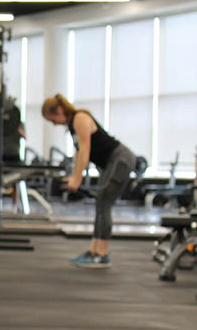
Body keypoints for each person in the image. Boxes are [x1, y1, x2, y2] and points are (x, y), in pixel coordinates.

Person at [42, 94, 136, 268]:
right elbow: (79, 154)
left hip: (120, 159)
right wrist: (74, 176)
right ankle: (94, 251)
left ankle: (102, 253)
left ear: (60, 110)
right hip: (111, 162)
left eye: (53, 118)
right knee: (101, 202)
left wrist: (77, 179)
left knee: (104, 202)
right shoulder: (72, 125)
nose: (54, 123)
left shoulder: (80, 118)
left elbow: (85, 150)